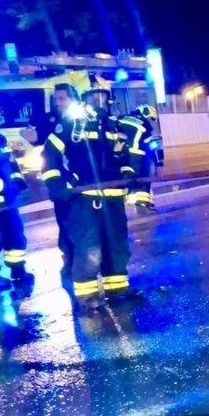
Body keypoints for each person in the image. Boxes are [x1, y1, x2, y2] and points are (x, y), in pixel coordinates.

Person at [41, 96, 136, 311]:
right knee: (89, 249)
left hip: (113, 197)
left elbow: (125, 157)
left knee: (117, 247)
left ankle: (117, 290)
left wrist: (128, 176)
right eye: (94, 95)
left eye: (104, 96)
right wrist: (59, 183)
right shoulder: (73, 125)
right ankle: (88, 296)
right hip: (85, 199)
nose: (100, 101)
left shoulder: (114, 126)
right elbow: (50, 154)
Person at [23, 84, 80, 284]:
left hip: (83, 187)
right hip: (62, 187)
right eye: (56, 99)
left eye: (62, 99)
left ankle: (87, 263)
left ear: (74, 99)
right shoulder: (51, 121)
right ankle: (70, 262)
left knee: (86, 226)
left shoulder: (82, 122)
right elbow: (45, 150)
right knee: (65, 225)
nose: (58, 103)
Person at [0, 106, 33, 289]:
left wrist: (17, 180)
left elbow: (10, 164)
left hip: (8, 201)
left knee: (14, 234)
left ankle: (18, 270)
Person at [121, 104, 159, 214]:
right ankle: (142, 206)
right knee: (144, 179)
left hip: (121, 155)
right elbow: (147, 144)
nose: (150, 121)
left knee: (126, 180)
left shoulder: (123, 118)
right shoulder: (144, 124)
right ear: (145, 113)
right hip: (136, 156)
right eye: (150, 118)